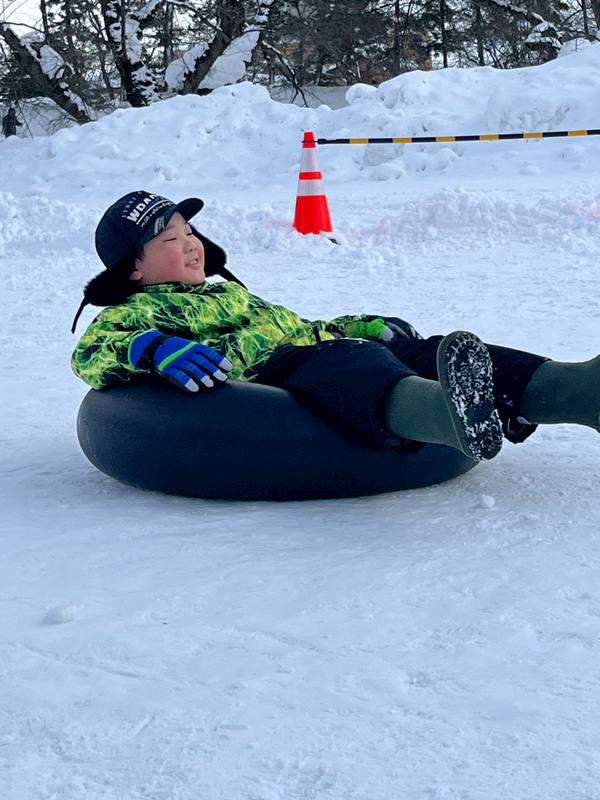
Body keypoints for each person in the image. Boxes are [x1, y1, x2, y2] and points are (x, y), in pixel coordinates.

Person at [71, 190, 600, 462]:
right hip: (276, 375)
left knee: (426, 349)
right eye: (170, 240)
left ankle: (575, 389)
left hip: (312, 348)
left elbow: (302, 326)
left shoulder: (225, 291)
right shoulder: (135, 311)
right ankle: (443, 413)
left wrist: (361, 324)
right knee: (350, 361)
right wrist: (151, 348)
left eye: (190, 232)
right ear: (133, 269)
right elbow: (91, 351)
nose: (191, 245)